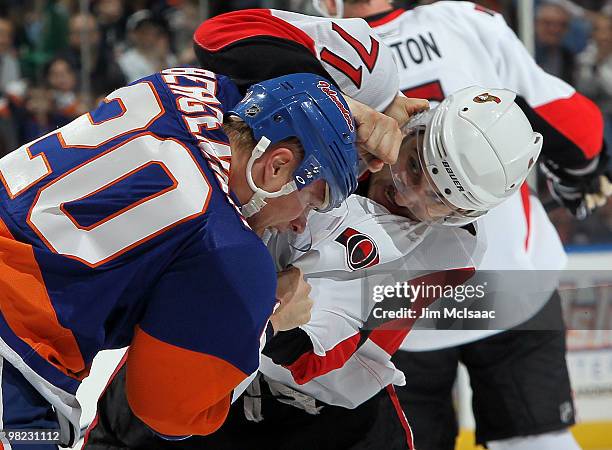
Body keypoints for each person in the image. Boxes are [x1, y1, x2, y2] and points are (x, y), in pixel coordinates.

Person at [81, 8, 542, 450]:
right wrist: (350, 101)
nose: (408, 194)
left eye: (438, 200)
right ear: (418, 119)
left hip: (322, 419)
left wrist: (269, 316)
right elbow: (218, 37)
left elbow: (318, 345)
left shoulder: (447, 250)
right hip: (206, 341)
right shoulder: (356, 100)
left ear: (461, 217)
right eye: (416, 165)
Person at [0, 67, 382, 449]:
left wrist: (342, 108)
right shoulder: (230, 253)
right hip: (14, 356)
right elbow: (167, 412)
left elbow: (238, 50)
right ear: (278, 166)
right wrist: (271, 319)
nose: (301, 224)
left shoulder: (182, 83)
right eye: (312, 200)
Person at [313, 1, 611, 449]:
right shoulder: (462, 20)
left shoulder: (317, 48)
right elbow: (578, 127)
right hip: (507, 284)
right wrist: (582, 169)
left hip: (392, 307)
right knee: (537, 441)